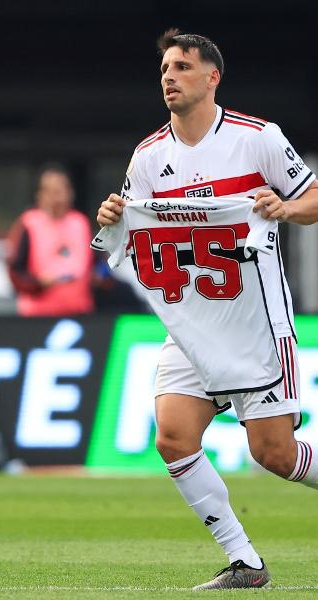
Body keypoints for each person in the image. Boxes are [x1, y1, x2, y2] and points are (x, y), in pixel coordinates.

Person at [96, 29, 318, 590]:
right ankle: (246, 562)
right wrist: (111, 217)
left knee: (274, 453)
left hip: (255, 325)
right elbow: (125, 228)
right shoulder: (148, 157)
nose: (168, 77)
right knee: (172, 438)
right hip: (191, 324)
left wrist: (286, 208)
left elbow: (314, 198)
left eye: (182, 68)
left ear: (212, 77)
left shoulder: (257, 138)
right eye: (165, 68)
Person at [6, 165, 94, 316]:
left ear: (70, 193)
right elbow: (15, 271)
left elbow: (100, 265)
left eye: (60, 191)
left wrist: (98, 278)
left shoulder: (81, 223)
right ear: (40, 194)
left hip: (79, 313)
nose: (56, 197)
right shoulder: (28, 223)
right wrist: (37, 283)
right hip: (37, 316)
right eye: (50, 191)